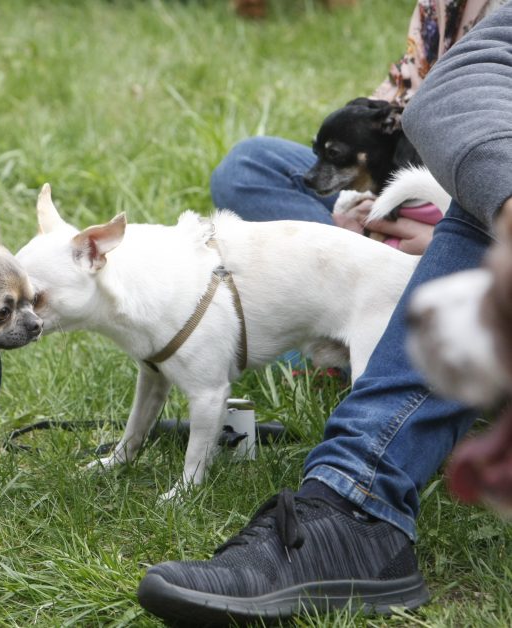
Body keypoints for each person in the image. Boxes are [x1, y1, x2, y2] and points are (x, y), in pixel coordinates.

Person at [136, 3, 512, 624]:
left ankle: (358, 488)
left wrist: (457, 227)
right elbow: (420, 102)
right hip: (433, 197)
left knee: (472, 211)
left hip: (463, 223)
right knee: (251, 165)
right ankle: (355, 292)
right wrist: (359, 204)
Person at [213, 0, 498, 255]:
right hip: (399, 182)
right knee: (247, 166)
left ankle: (355, 263)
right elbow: (403, 88)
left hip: (485, 224)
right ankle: (356, 253)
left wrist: (439, 240)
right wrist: (351, 203)